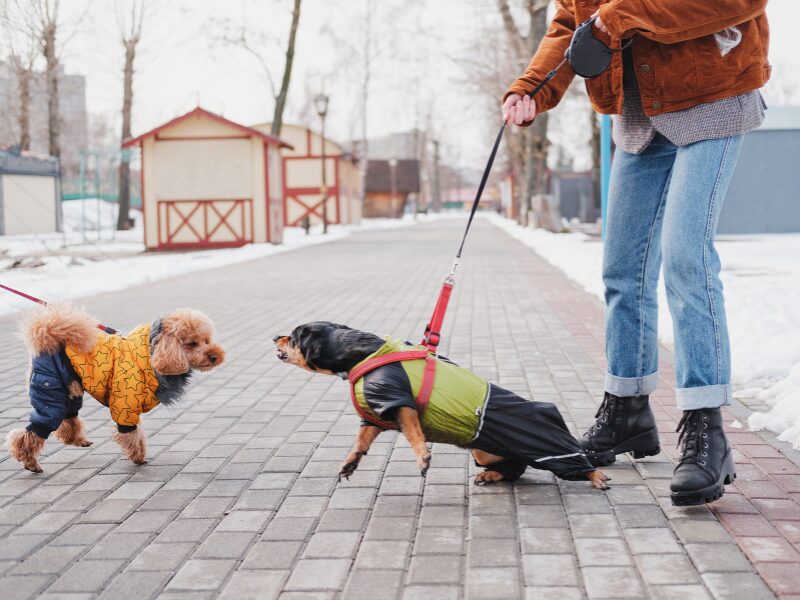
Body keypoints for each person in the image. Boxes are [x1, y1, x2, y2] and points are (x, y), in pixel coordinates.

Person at [502, 0, 770, 506]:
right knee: (622, 270)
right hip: (638, 111)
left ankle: (705, 427)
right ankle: (626, 409)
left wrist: (617, 18)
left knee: (686, 257)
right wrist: (534, 86)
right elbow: (570, 22)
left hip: (711, 95)